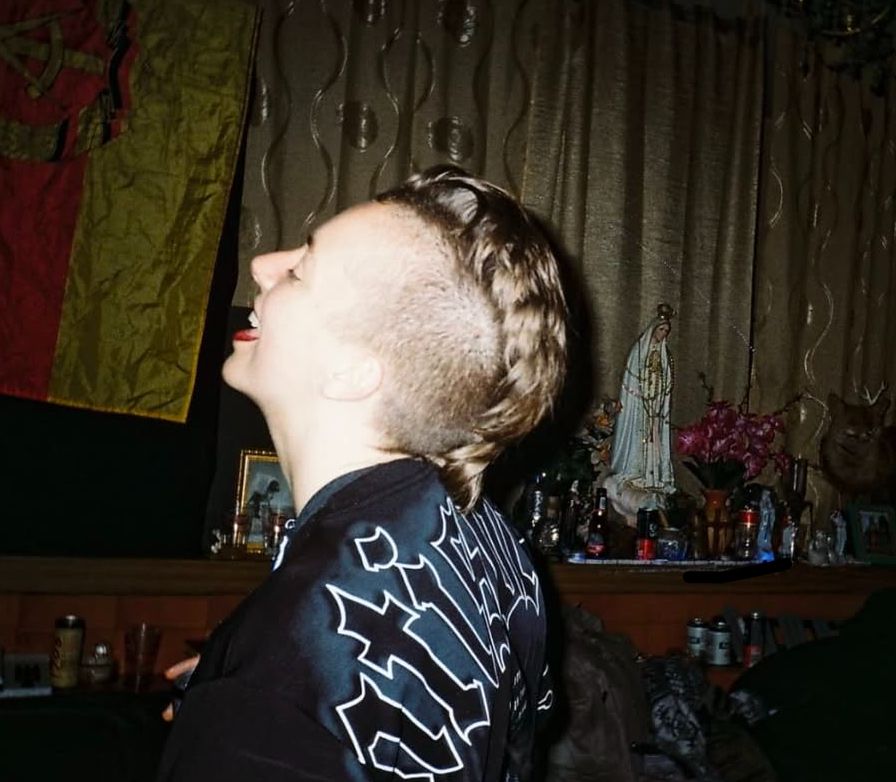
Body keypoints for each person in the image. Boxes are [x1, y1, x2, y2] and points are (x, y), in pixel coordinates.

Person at [156, 166, 569, 781]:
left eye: (300, 270)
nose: (264, 265)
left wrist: (263, 700)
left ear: (352, 372)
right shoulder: (492, 540)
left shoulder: (286, 664)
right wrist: (248, 684)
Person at [604, 304, 675, 523]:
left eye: (666, 332)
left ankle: (651, 478)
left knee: (654, 444)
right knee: (638, 441)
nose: (663, 335)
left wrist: (658, 398)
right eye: (661, 330)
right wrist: (642, 396)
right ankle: (633, 475)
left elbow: (666, 381)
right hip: (639, 407)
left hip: (654, 408)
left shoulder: (664, 355)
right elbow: (632, 379)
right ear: (653, 329)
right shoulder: (639, 352)